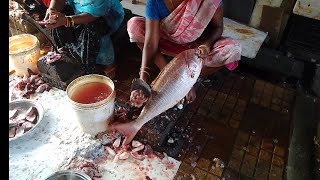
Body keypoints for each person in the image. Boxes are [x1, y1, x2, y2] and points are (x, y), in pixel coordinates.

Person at [110, 0, 241, 146]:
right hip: (167, 41)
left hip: (196, 50)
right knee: (134, 25)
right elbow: (151, 44)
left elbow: (218, 27)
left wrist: (207, 44)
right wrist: (142, 81)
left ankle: (188, 77)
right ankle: (172, 74)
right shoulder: (155, 2)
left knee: (232, 49)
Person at [38, 0, 124, 74]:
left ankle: (105, 64)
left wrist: (66, 21)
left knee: (93, 28)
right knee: (58, 17)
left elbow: (93, 15)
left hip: (102, 14)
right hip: (77, 8)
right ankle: (66, 52)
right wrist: (52, 10)